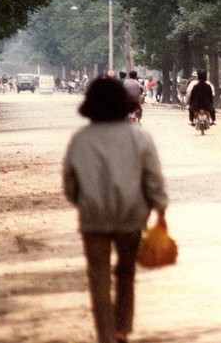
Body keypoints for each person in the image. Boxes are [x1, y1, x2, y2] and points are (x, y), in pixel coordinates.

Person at [62, 77, 169, 343]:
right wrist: (160, 207)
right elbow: (153, 178)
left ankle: (106, 336)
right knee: (126, 272)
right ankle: (122, 327)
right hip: (132, 217)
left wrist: (82, 202)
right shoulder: (139, 137)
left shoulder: (81, 139)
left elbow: (70, 182)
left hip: (93, 218)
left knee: (98, 276)